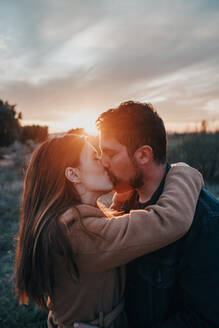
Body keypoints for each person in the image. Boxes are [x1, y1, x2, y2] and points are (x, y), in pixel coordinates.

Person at [14, 134, 203, 328]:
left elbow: (104, 239)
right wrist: (183, 172)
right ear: (73, 174)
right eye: (95, 157)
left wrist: (120, 200)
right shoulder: (77, 233)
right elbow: (169, 220)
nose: (103, 162)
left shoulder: (65, 222)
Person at [96, 101, 219, 328]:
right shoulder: (122, 205)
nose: (102, 161)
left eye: (110, 153)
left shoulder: (206, 221)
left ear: (143, 155)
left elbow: (203, 319)